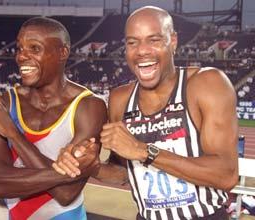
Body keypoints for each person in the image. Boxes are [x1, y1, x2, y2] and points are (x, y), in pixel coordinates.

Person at [54, 6, 239, 219]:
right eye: (133, 42)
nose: (142, 50)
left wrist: (144, 151)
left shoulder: (206, 83)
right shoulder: (120, 99)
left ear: (173, 41)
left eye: (154, 40)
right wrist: (90, 166)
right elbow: (123, 173)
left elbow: (227, 174)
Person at [0, 17, 107, 220]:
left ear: (62, 52)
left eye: (34, 48)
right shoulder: (4, 102)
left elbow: (67, 194)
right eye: (20, 48)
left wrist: (13, 133)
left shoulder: (88, 106)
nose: (21, 57)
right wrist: (64, 175)